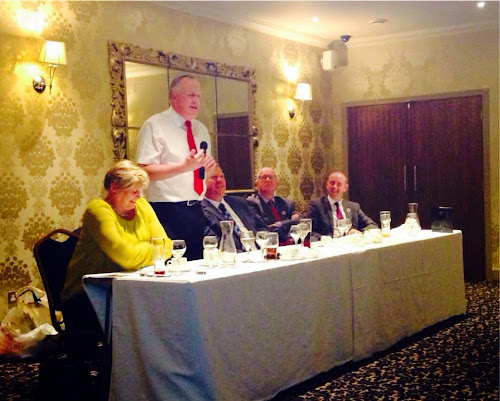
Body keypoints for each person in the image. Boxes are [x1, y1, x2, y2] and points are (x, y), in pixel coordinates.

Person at [61, 160, 171, 356]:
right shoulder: (98, 211)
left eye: (140, 190)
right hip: (88, 296)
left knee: (166, 307)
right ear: (113, 187)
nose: (138, 195)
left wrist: (140, 250)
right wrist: (151, 250)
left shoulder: (142, 206)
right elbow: (126, 258)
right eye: (133, 190)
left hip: (127, 290)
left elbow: (166, 246)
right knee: (154, 313)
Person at [136, 74, 216, 260]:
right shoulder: (155, 125)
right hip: (167, 211)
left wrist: (208, 170)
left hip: (196, 209)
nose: (196, 101)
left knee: (198, 267)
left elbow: (197, 176)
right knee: (173, 268)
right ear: (173, 97)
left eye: (198, 96)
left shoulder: (201, 129)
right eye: (190, 95)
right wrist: (183, 166)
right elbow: (144, 171)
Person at [202, 165, 268, 251]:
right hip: (236, 255)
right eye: (214, 177)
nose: (220, 180)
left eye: (222, 176)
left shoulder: (240, 203)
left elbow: (262, 227)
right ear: (203, 182)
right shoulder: (201, 211)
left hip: (259, 252)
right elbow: (214, 244)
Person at [307, 170, 377, 240]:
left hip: (350, 244)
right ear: (327, 185)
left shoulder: (353, 207)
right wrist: (323, 238)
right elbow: (309, 231)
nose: (334, 186)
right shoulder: (316, 205)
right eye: (332, 183)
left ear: (345, 188)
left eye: (339, 184)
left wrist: (359, 232)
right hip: (328, 244)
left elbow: (372, 226)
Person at [247, 167, 300, 244]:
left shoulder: (287, 203)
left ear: (277, 182)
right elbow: (263, 231)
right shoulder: (250, 203)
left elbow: (298, 222)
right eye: (264, 177)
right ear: (256, 183)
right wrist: (288, 223)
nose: (268, 180)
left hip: (290, 245)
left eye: (271, 177)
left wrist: (279, 225)